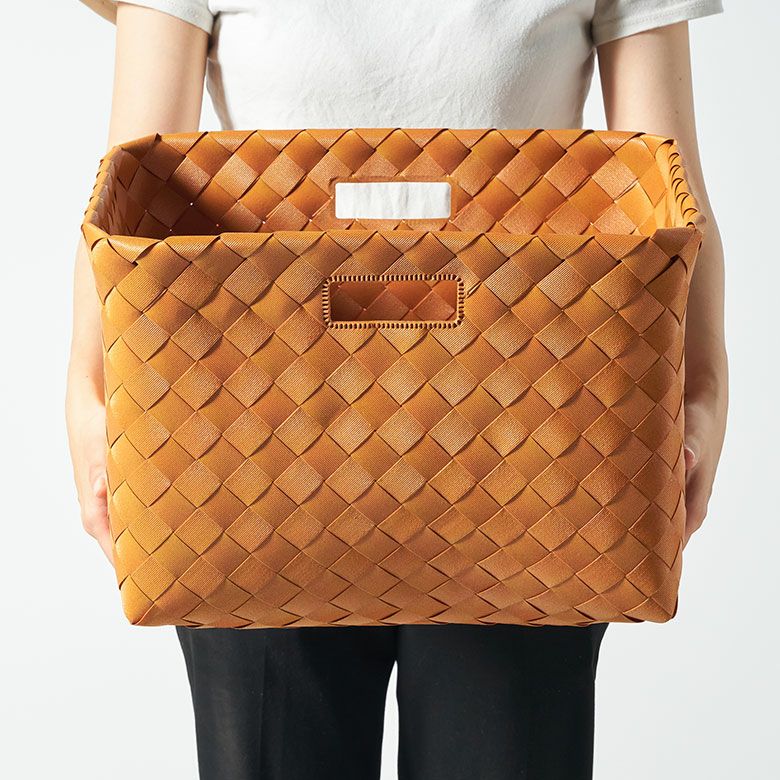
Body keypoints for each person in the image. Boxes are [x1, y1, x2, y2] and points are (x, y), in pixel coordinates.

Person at [69, 2, 728, 778]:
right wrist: (89, 397)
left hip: (530, 458)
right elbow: (133, 191)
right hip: (252, 456)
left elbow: (664, 191)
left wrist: (703, 398)